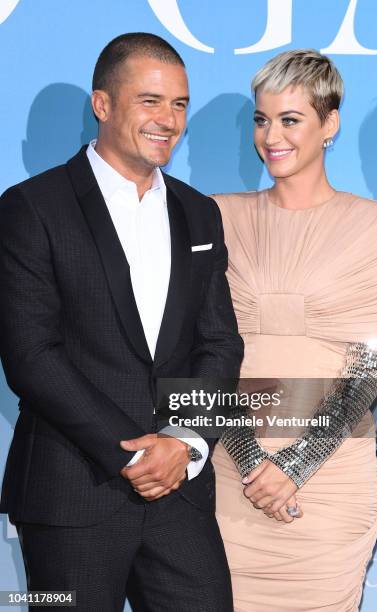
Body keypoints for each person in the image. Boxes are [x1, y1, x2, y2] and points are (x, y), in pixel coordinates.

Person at [0, 33, 243, 612]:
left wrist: (182, 444)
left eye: (180, 104)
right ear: (102, 105)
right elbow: (31, 355)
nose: (169, 120)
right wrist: (135, 455)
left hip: (180, 491)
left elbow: (220, 343)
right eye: (150, 101)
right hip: (71, 494)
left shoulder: (198, 210)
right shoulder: (31, 206)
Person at [211, 49, 377, 611]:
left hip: (329, 487)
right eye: (262, 118)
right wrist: (252, 465)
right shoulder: (215, 216)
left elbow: (367, 370)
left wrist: (293, 467)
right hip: (229, 479)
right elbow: (200, 351)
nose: (272, 136)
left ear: (330, 122)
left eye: (290, 119)